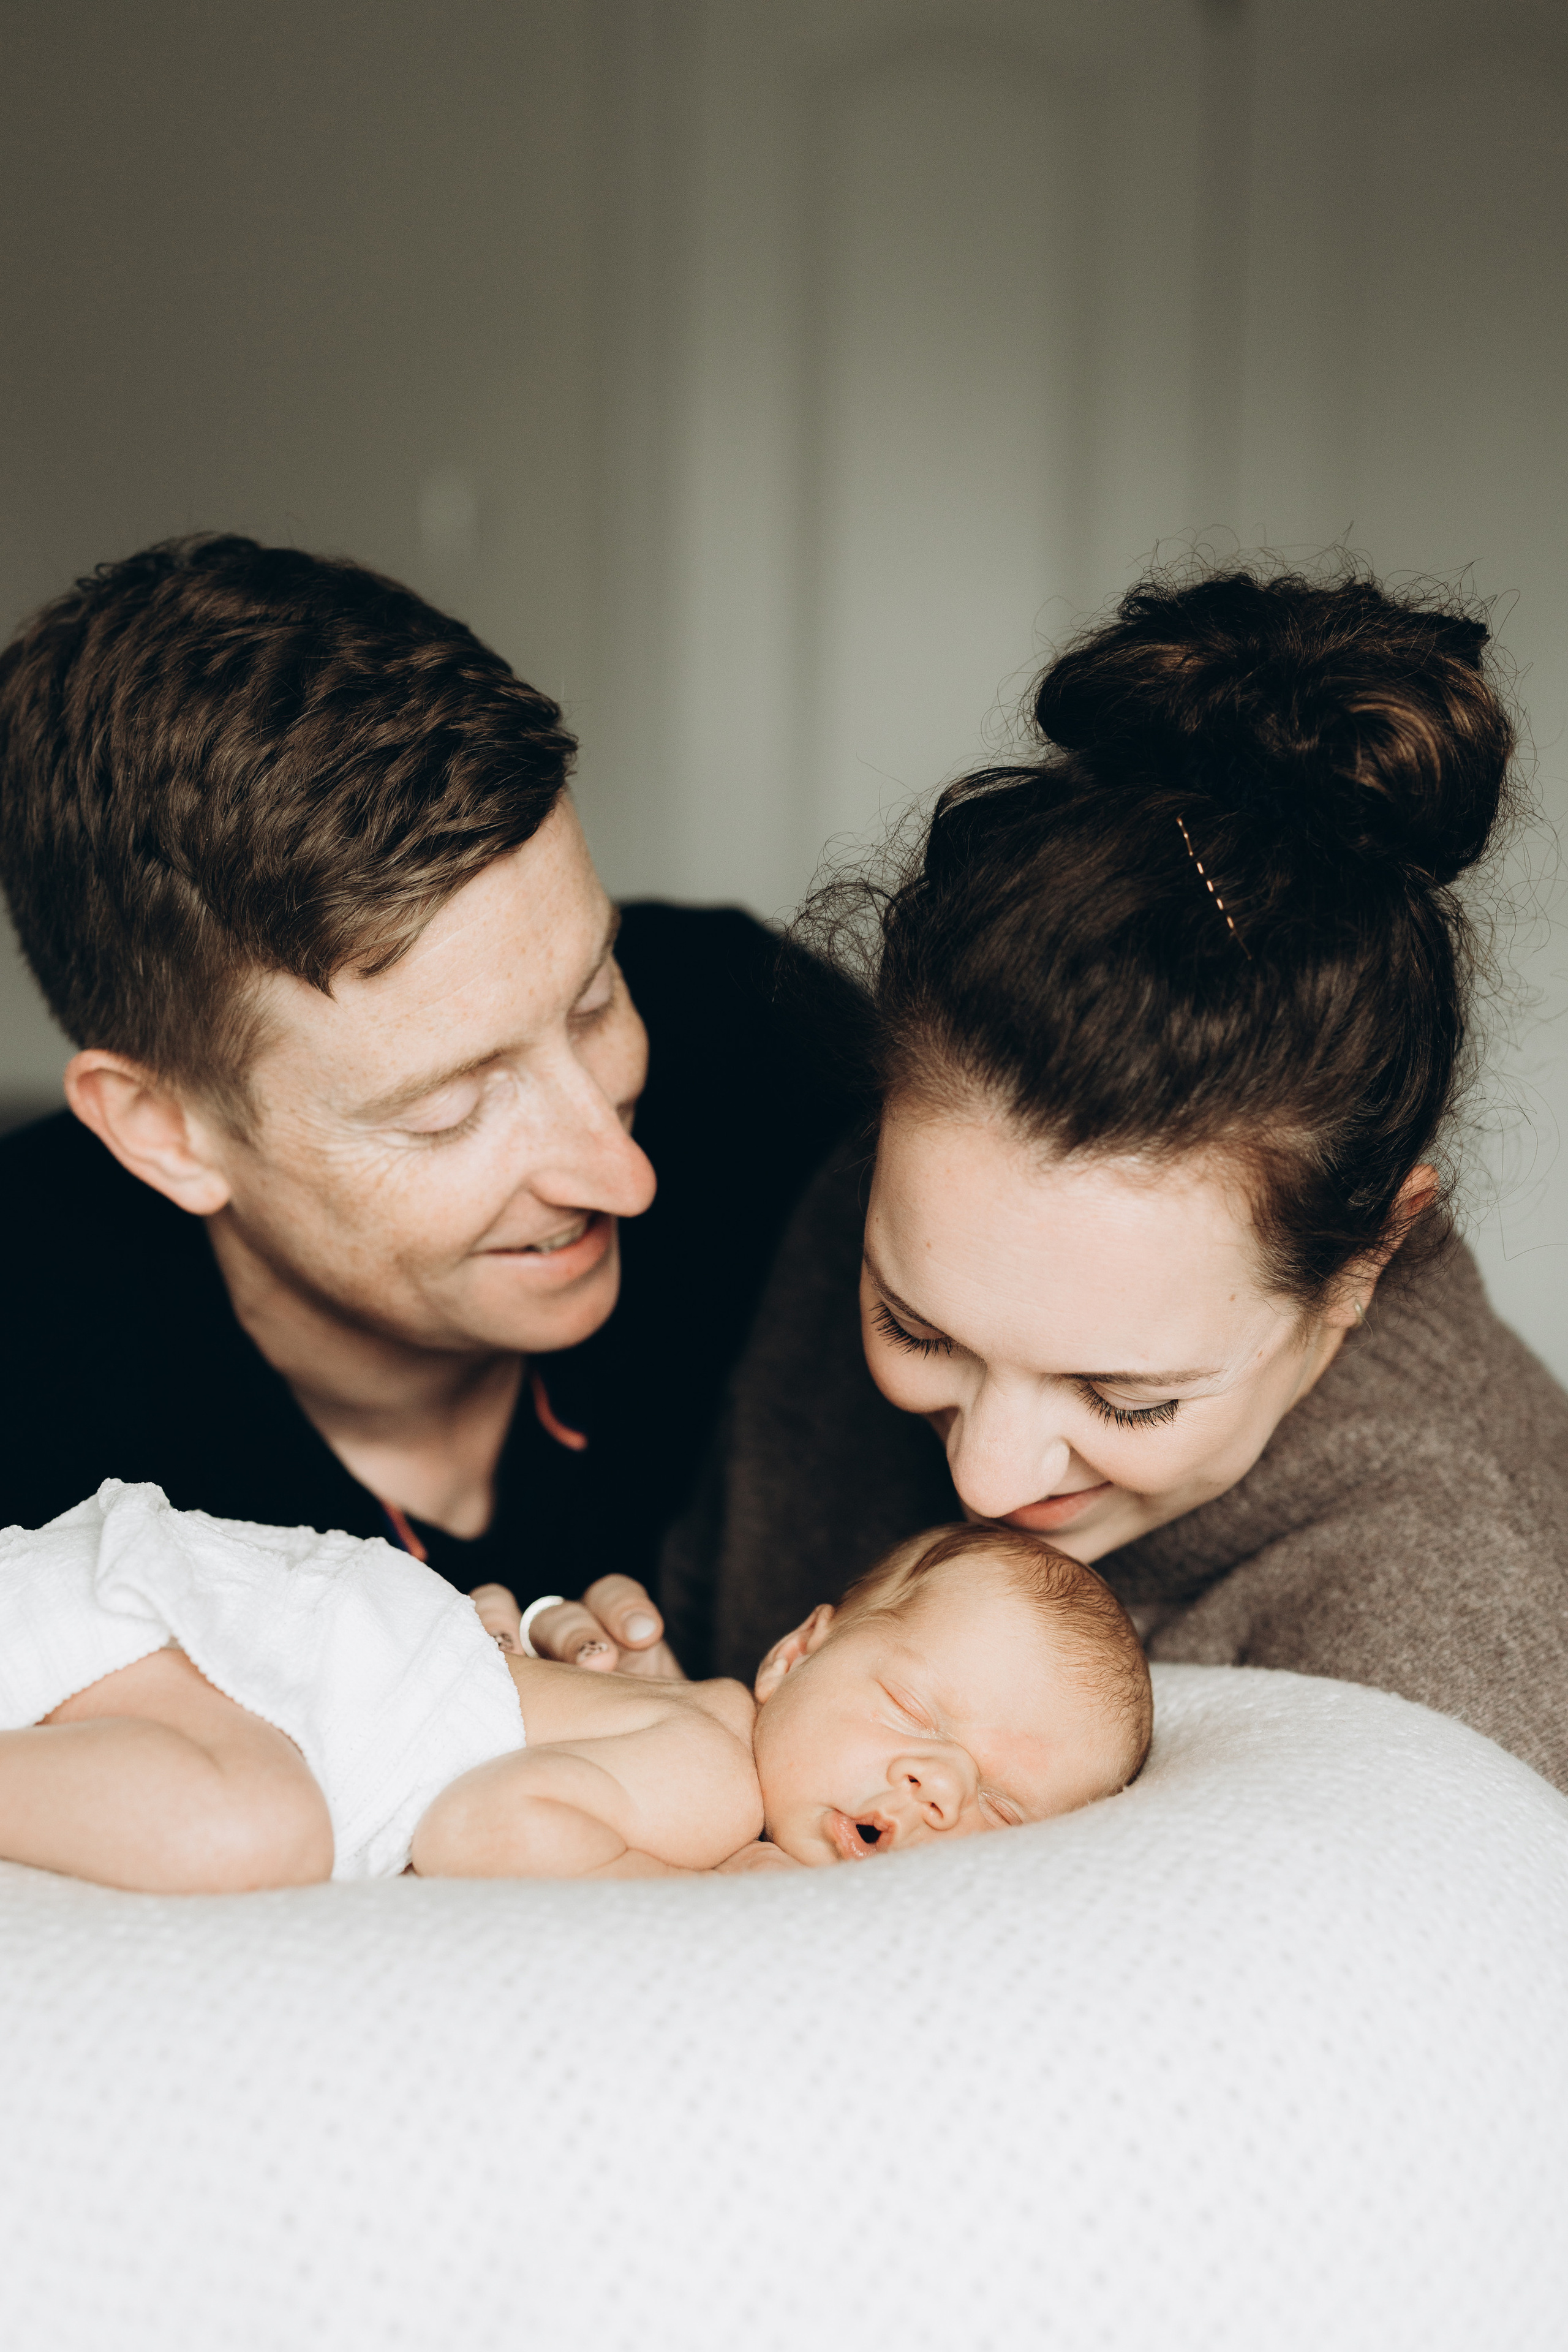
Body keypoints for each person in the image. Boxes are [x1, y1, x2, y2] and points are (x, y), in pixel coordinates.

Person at [560, 562, 1568, 1793]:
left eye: (1124, 1399)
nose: (985, 1477)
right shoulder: (862, 1209)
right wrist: (667, 1736)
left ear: (1361, 1265)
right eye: (912, 1328)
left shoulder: (1451, 1638)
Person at [0, 537, 855, 1638]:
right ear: (165, 1131)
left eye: (596, 1000)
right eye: (447, 1109)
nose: (624, 1175)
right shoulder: (32, 1425)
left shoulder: (772, 1051)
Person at [0, 1480, 1149, 1888]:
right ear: (795, 1654)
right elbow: (482, 1827)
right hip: (206, 1640)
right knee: (246, 1829)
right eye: (913, 1709)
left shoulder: (682, 1730)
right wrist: (708, 1894)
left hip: (197, 1636)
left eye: (1001, 1807)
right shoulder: (711, 1783)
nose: (936, 1783)